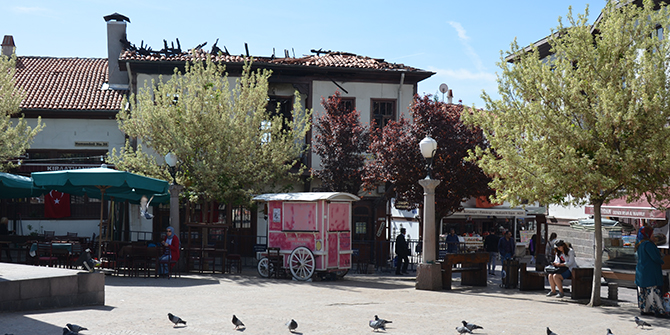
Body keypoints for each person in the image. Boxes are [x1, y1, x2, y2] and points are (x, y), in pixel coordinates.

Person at [635, 226, 666, 316]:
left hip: (642, 272)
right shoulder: (648, 244)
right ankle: (658, 310)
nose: (653, 235)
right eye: (652, 233)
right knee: (653, 291)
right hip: (650, 272)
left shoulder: (640, 244)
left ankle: (645, 309)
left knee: (644, 291)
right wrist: (662, 261)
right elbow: (655, 257)